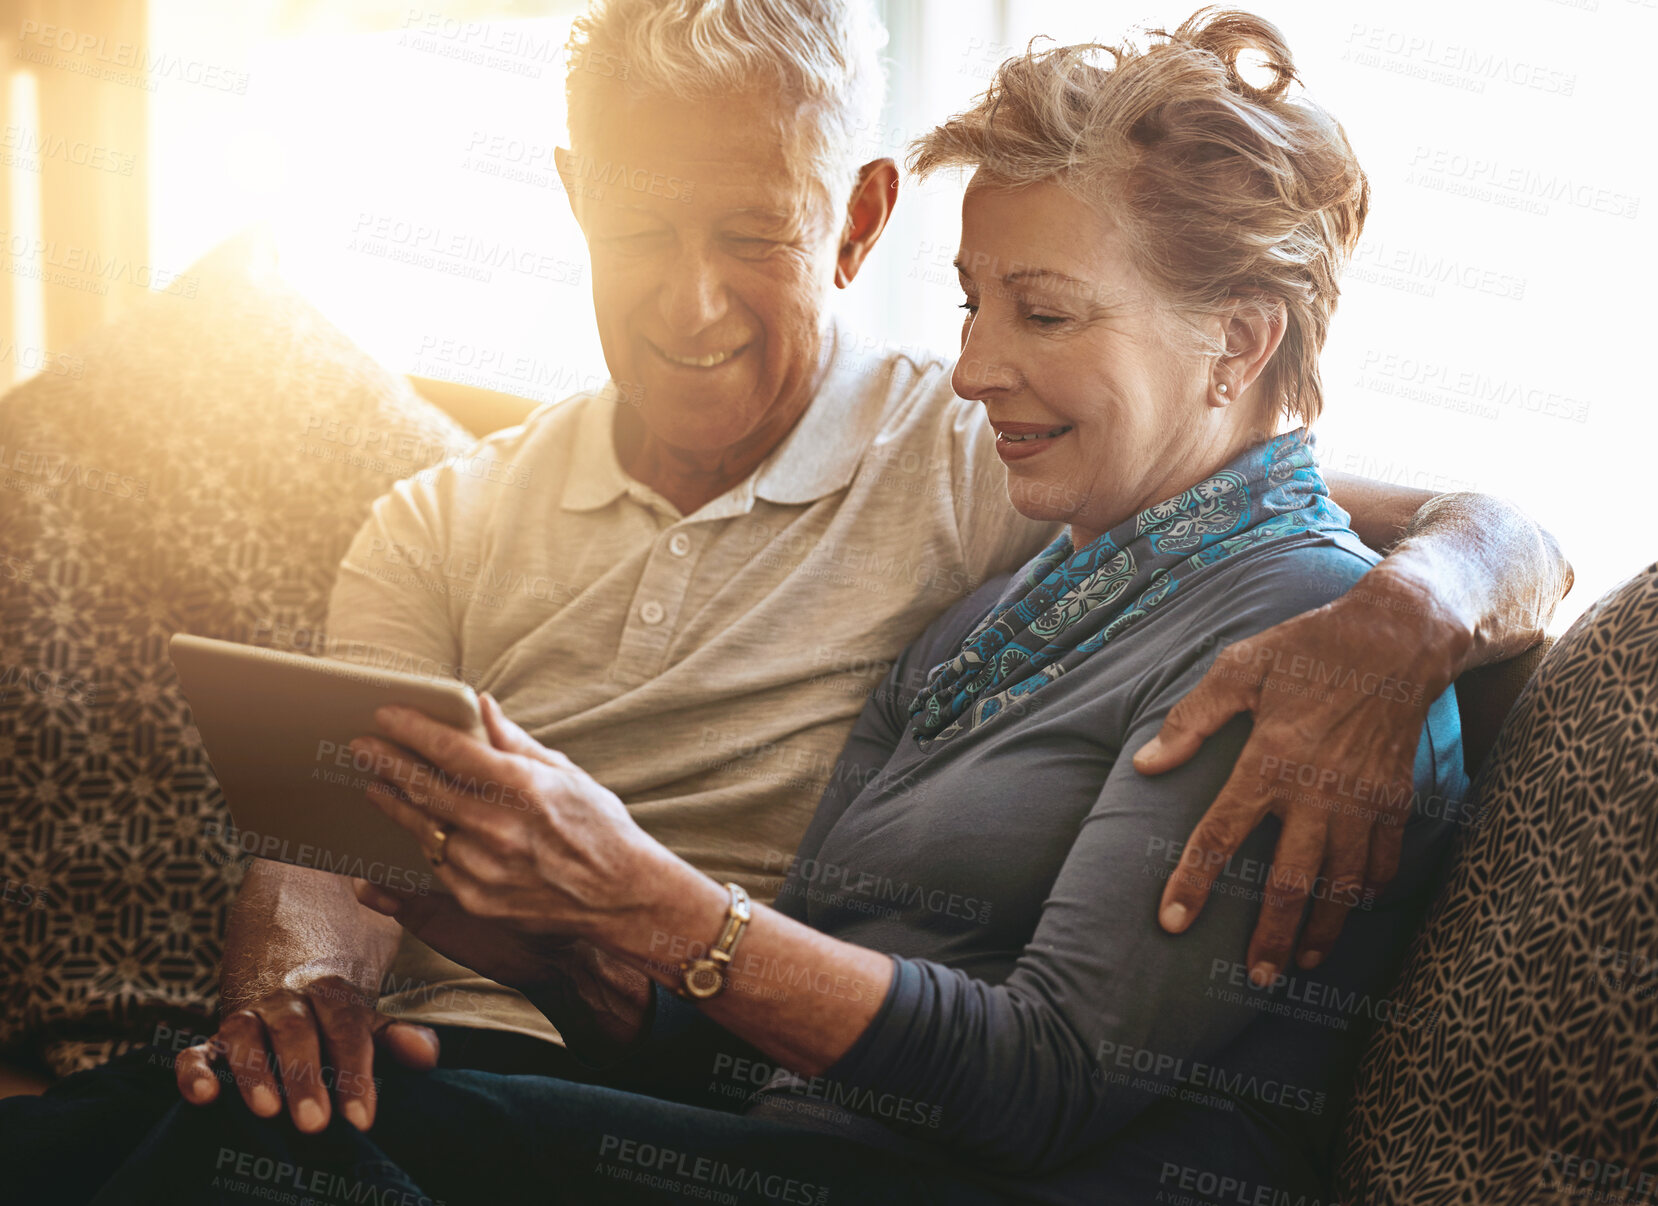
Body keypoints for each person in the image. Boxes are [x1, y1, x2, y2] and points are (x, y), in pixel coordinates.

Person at [0, 2, 1566, 1202]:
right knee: (193, 1119)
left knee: (252, 1155)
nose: (974, 367)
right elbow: (729, 1021)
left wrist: (1408, 611)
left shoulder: (1248, 623)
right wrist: (547, 944)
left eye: (1040, 311)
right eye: (974, 309)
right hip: (739, 1122)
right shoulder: (1009, 605)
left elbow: (1043, 1081)